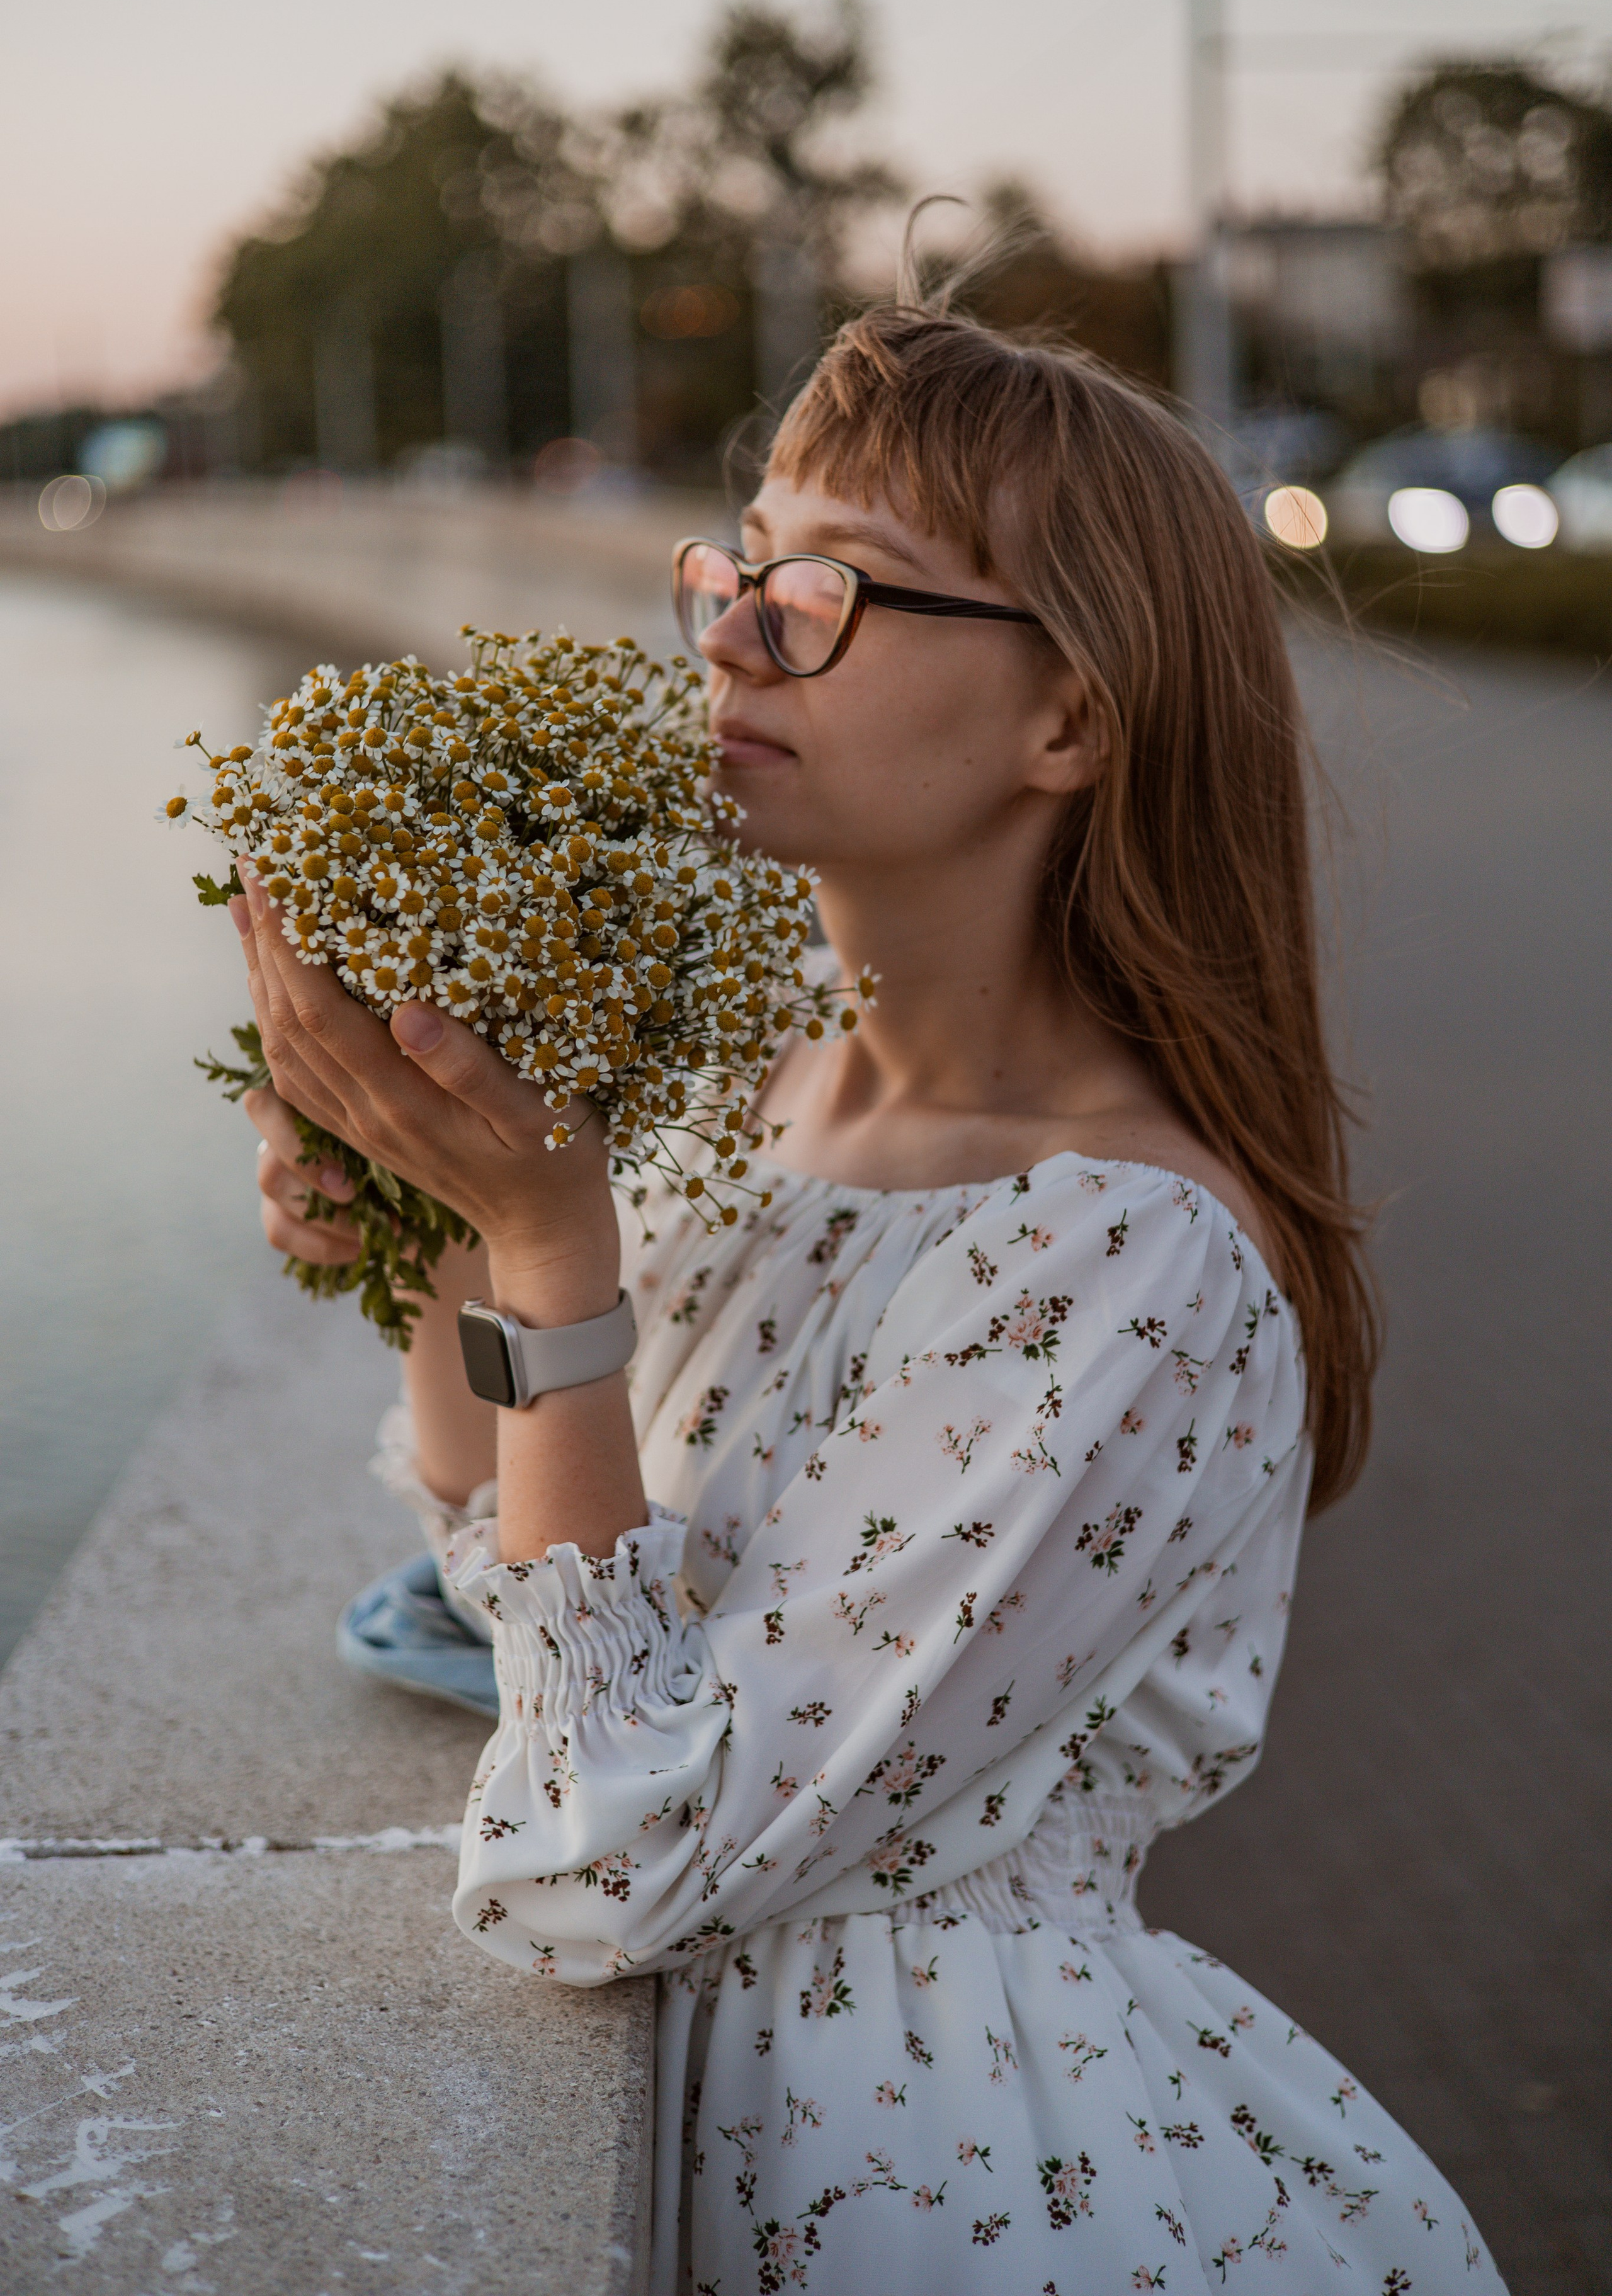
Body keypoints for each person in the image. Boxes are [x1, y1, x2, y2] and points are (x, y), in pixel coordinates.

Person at [236, 302, 1504, 2293]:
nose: (735, 633)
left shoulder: (1127, 1253)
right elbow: (521, 1571)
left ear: (1072, 719)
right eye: (737, 566)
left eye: (834, 594)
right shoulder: (756, 1100)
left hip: (937, 2177)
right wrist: (447, 1222)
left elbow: (605, 1863)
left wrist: (562, 1265)